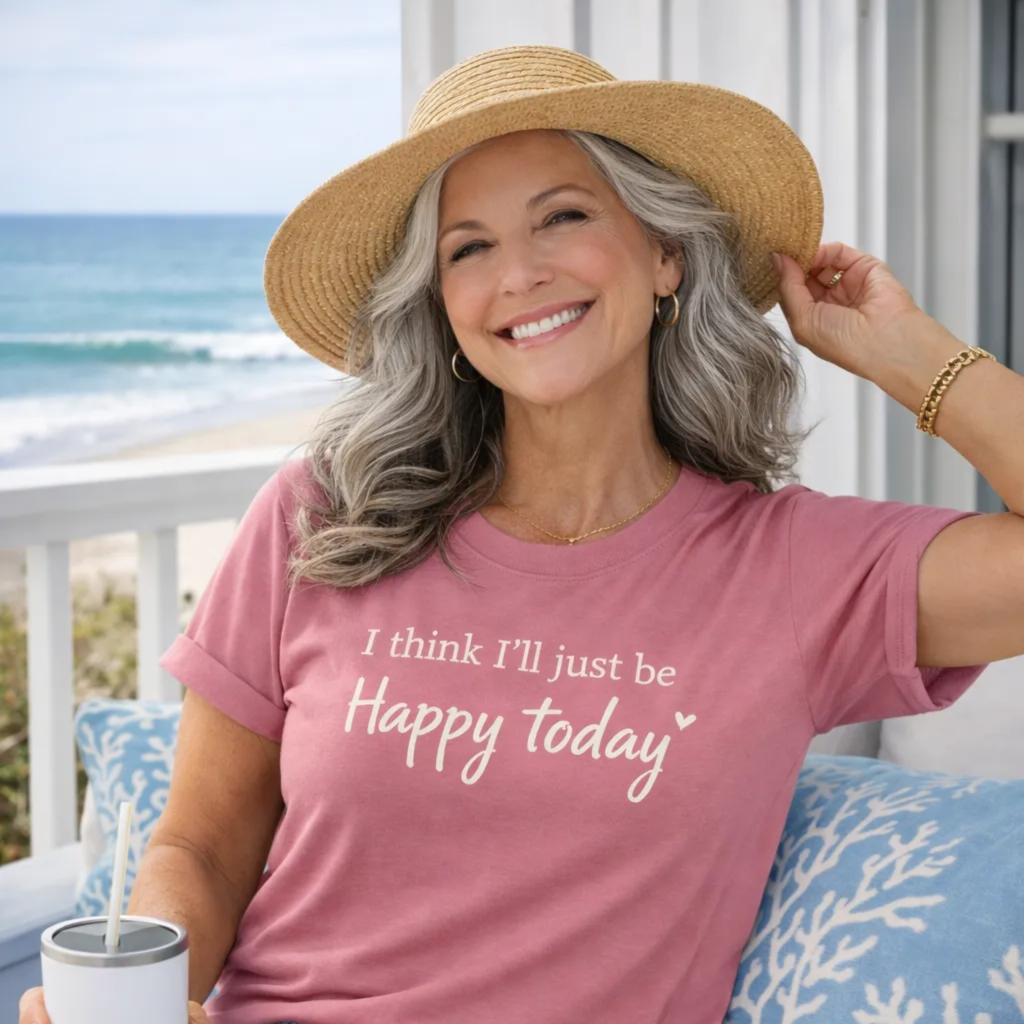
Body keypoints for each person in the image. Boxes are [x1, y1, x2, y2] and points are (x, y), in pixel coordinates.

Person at [20, 44, 1024, 1024]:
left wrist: (910, 354)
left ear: (664, 253)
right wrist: (140, 1001)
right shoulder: (325, 514)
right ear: (441, 303)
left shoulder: (796, 569)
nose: (520, 273)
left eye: (564, 217)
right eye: (469, 248)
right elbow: (200, 845)